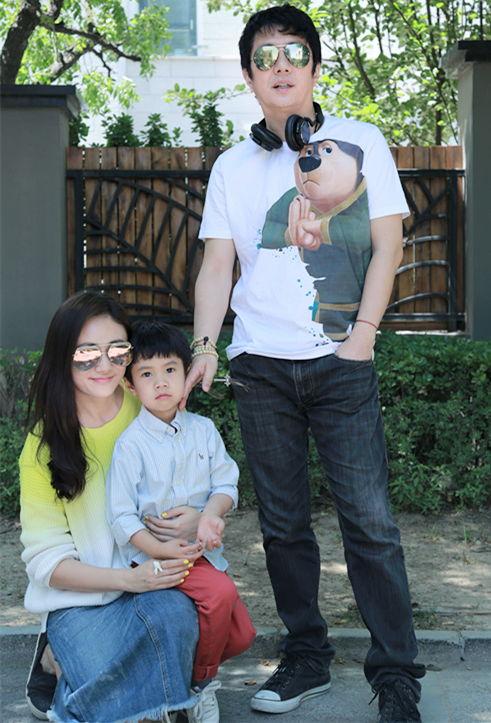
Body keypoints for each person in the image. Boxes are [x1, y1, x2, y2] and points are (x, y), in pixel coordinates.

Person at [182, 4, 426, 723]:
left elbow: (389, 243)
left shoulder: (360, 142)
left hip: (340, 362)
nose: (281, 65)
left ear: (315, 67)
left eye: (294, 51)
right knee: (284, 526)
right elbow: (217, 265)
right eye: (265, 56)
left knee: (370, 524)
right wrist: (205, 346)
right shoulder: (232, 166)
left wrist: (364, 334)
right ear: (249, 75)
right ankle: (307, 656)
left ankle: (396, 673)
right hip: (261, 367)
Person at [20, 291, 201, 723]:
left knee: (175, 619)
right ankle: (69, 659)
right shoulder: (43, 447)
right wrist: (127, 579)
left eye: (118, 350)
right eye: (86, 353)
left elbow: (198, 481)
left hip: (156, 587)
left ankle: (69, 677)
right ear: (63, 355)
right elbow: (47, 563)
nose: (105, 364)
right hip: (81, 600)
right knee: (118, 667)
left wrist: (198, 514)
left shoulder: (151, 409)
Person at [105, 319, 256, 723]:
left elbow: (226, 483)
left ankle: (180, 673)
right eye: (147, 374)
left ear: (186, 373)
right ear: (130, 385)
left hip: (201, 553)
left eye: (170, 369)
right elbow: (121, 516)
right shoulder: (131, 445)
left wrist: (210, 515)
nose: (161, 382)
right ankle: (202, 685)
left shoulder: (203, 431)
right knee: (220, 594)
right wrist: (160, 549)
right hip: (156, 556)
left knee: (243, 634)